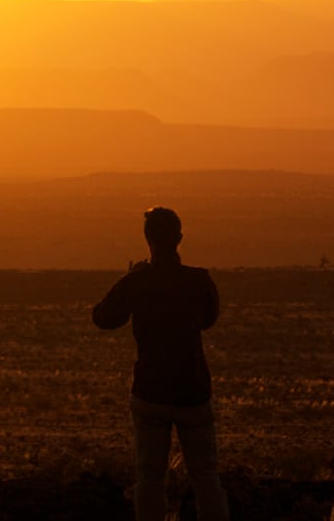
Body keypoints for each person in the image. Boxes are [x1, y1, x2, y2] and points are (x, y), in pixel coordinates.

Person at [92, 206, 228, 521]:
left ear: (147, 238)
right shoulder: (198, 281)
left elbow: (103, 317)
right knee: (206, 475)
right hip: (192, 391)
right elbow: (208, 319)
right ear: (179, 238)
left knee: (150, 476)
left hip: (150, 392)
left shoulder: (139, 282)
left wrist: (129, 279)